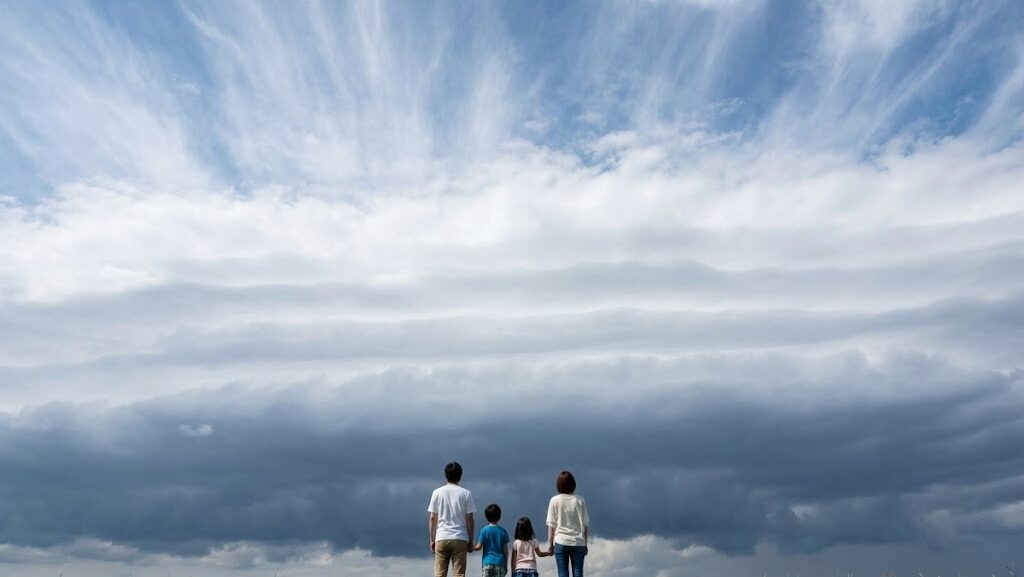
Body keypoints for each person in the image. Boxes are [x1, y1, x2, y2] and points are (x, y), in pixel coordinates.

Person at [428, 462, 477, 577]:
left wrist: (432, 540)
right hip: (460, 538)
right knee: (459, 574)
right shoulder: (466, 494)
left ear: (446, 475)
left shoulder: (437, 493)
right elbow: (469, 518)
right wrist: (470, 540)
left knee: (439, 574)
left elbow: (432, 518)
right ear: (460, 475)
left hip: (441, 537)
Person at [545, 470, 589, 577]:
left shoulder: (554, 500)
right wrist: (585, 544)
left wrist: (550, 544)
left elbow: (551, 525)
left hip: (560, 541)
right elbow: (585, 524)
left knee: (563, 573)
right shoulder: (580, 500)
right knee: (578, 573)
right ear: (573, 484)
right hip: (578, 542)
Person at [473, 503, 510, 577]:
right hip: (500, 563)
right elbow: (506, 551)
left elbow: (478, 547)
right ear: (499, 516)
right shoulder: (503, 531)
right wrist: (506, 565)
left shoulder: (484, 530)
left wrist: (470, 547)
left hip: (487, 562)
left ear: (486, 517)